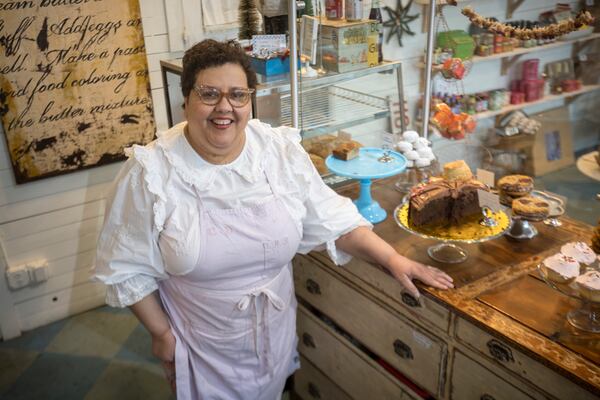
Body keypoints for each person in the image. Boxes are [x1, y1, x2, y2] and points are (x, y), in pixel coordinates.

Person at [93, 39, 453, 400]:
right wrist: (162, 335)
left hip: (274, 329)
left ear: (250, 100)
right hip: (199, 342)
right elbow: (127, 266)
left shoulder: (277, 152)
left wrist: (394, 259)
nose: (225, 107)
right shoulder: (152, 172)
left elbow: (331, 217)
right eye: (209, 94)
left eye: (238, 95)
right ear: (185, 99)